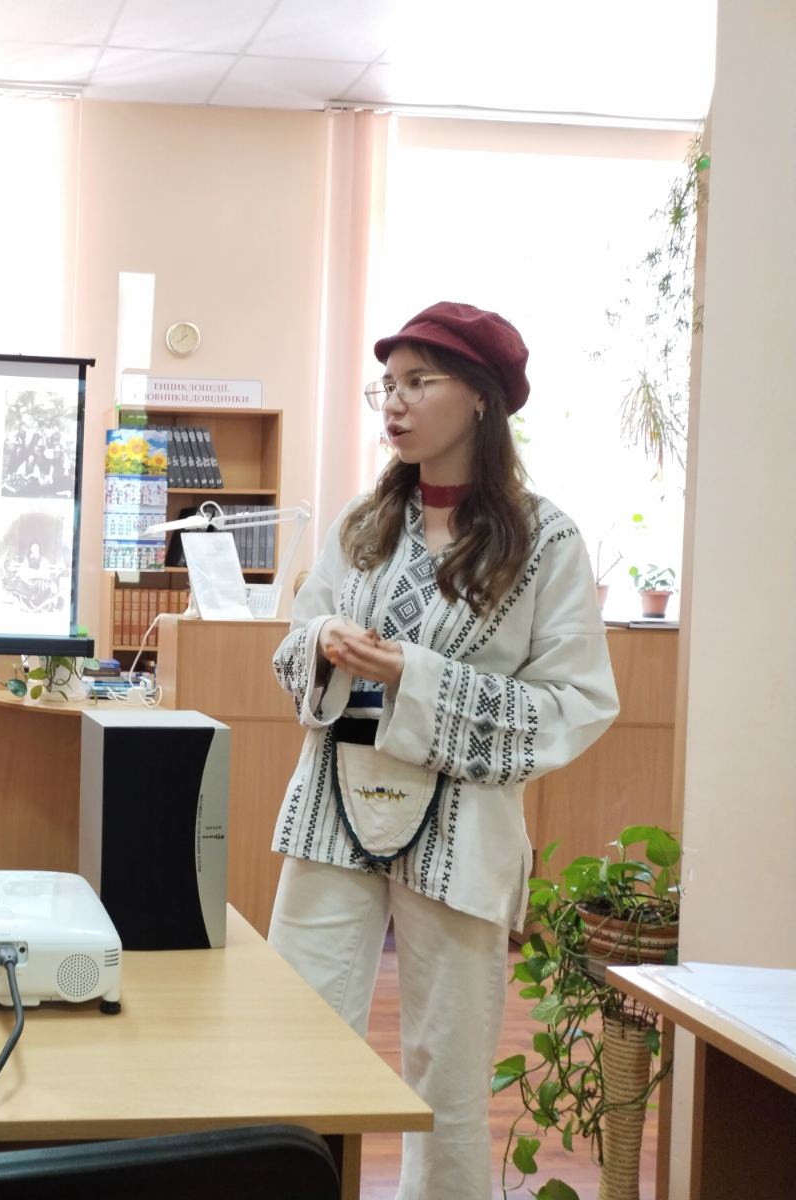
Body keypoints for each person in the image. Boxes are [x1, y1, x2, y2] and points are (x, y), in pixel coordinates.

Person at [266, 302, 619, 1200]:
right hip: (333, 812)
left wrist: (414, 676)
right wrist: (321, 645)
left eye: (419, 381)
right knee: (295, 1039)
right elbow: (293, 644)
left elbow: (579, 703)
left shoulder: (545, 541)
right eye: (387, 384)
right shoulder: (361, 523)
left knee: (448, 1078)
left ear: (482, 398)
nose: (394, 402)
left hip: (464, 830)